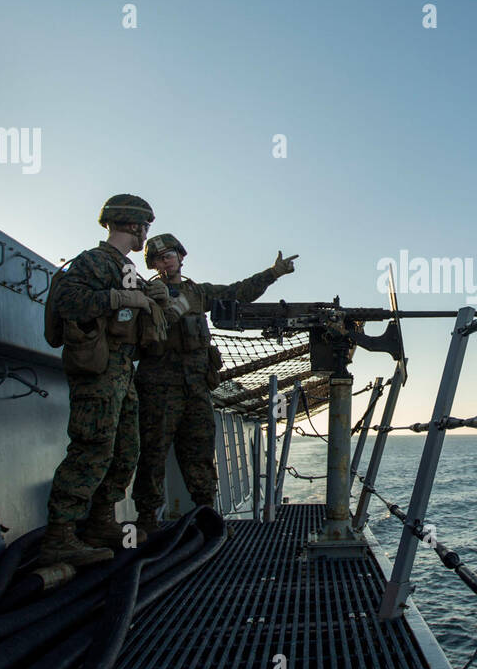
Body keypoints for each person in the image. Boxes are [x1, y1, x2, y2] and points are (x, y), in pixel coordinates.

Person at [132, 234, 297, 533]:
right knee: (152, 451)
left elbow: (238, 292)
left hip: (196, 387)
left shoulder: (198, 294)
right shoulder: (144, 293)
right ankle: (145, 522)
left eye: (169, 254)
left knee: (200, 451)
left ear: (181, 257)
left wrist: (273, 273)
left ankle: (206, 516)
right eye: (157, 259)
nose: (164, 261)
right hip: (158, 387)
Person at [38, 194, 169, 566]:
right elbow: (68, 300)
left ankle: (100, 522)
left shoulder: (123, 266)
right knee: (91, 448)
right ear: (133, 225)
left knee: (126, 450)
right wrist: (120, 297)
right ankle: (60, 535)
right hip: (98, 371)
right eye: (145, 227)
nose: (146, 234)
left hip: (122, 371)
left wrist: (151, 295)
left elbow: (142, 306)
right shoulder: (94, 261)